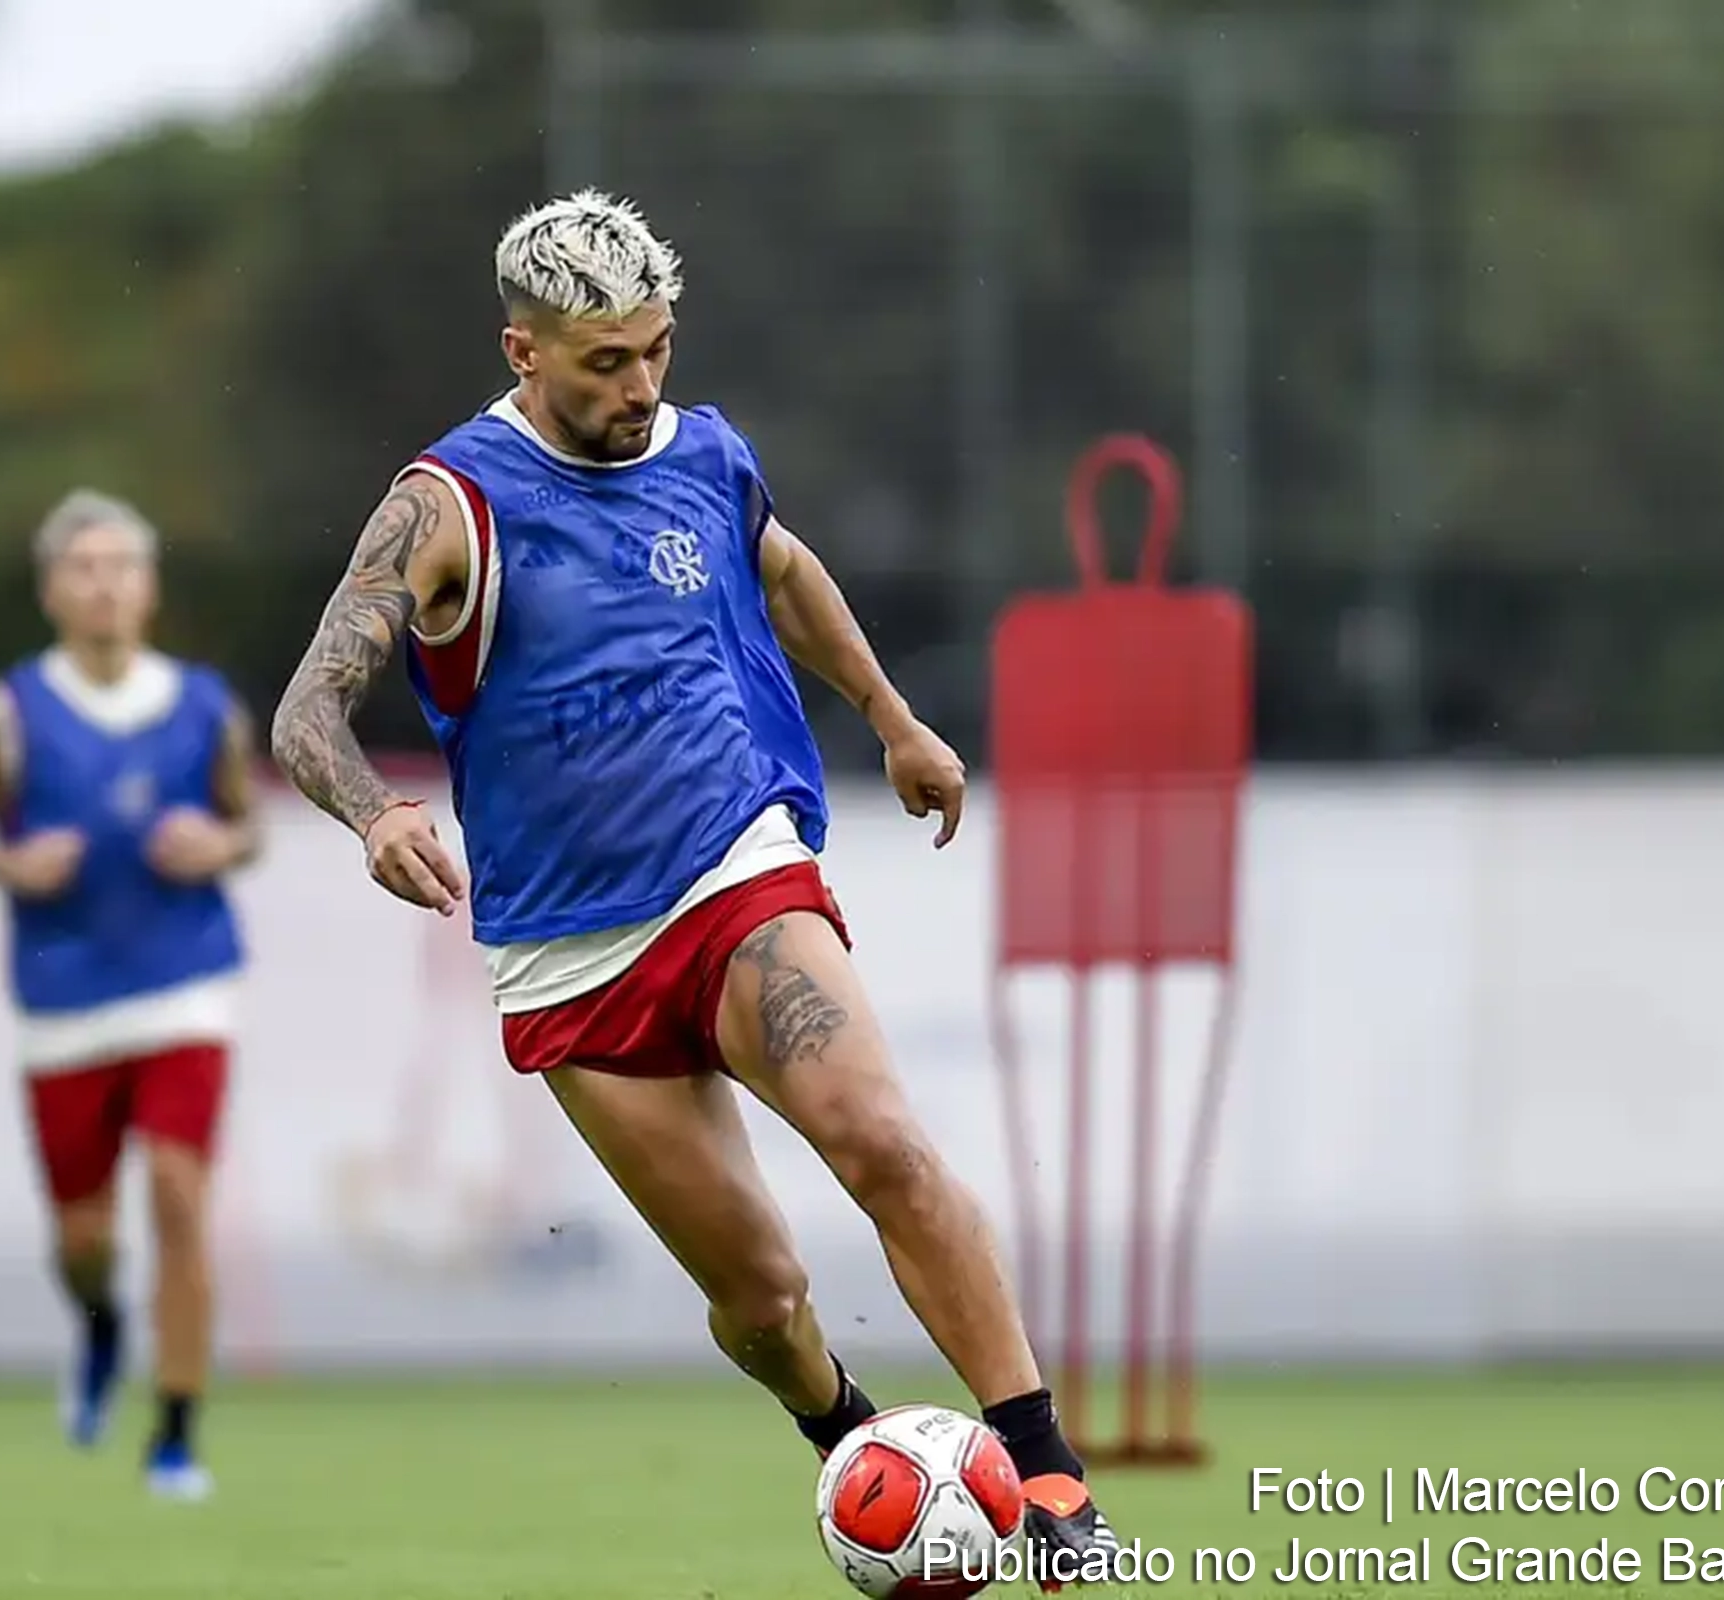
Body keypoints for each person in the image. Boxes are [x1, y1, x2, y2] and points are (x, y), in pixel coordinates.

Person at [268, 191, 1120, 1586]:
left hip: (735, 872)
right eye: (606, 362)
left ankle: (1051, 1482)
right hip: (566, 956)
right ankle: (861, 1454)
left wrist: (893, 718)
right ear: (524, 351)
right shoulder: (448, 505)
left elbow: (780, 572)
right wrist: (370, 815)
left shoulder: (707, 456)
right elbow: (309, 708)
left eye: (656, 350)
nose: (640, 384)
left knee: (882, 1144)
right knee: (762, 1297)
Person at [0, 489, 262, 1503]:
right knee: (85, 1238)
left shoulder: (201, 706)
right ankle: (102, 1325)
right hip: (63, 1003)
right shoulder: (7, 715)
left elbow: (249, 827)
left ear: (149, 589)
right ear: (51, 589)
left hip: (185, 985)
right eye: (85, 567)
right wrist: (5, 866)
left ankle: (178, 1432)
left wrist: (218, 845)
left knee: (179, 1193)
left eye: (122, 566)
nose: (105, 585)